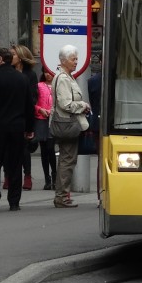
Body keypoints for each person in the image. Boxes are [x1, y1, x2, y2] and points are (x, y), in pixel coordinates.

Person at [0, 47, 34, 211]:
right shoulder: (22, 79)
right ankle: (14, 201)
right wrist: (29, 128)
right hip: (17, 127)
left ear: (0, 60)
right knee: (16, 163)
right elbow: (29, 106)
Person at [51, 44, 91, 208]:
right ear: (64, 60)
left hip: (67, 123)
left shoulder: (66, 77)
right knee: (67, 160)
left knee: (66, 160)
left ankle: (62, 195)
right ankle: (61, 196)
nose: (76, 62)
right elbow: (65, 104)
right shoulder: (63, 79)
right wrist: (83, 105)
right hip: (67, 124)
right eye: (73, 59)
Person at [11, 44, 40, 190]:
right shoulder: (8, 72)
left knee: (24, 148)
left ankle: (27, 175)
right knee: (8, 147)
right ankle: (8, 175)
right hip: (9, 114)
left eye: (14, 55)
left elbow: (33, 96)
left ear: (21, 57)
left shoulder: (30, 74)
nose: (11, 57)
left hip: (24, 114)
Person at [35, 67, 56, 189]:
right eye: (46, 72)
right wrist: (39, 109)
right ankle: (47, 179)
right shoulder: (38, 86)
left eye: (50, 72)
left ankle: (54, 176)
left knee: (50, 148)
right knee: (43, 150)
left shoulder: (57, 86)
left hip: (52, 119)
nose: (48, 74)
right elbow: (33, 102)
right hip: (41, 119)